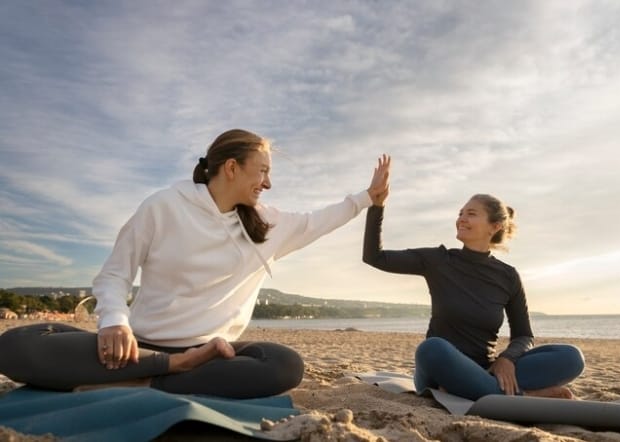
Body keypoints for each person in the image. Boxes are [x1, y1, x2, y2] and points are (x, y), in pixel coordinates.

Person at [0, 129, 391, 399]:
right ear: (232, 168)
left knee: (284, 364)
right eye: (264, 171)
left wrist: (366, 198)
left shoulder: (267, 224)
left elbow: (317, 220)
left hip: (212, 355)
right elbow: (115, 275)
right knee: (15, 347)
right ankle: (163, 370)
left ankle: (141, 380)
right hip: (139, 349)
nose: (268, 183)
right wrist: (115, 322)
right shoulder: (163, 206)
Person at [362, 158, 584, 400]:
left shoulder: (508, 276)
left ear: (494, 226)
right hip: (441, 367)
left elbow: (523, 335)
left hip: (484, 370)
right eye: (460, 213)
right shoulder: (438, 260)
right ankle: (522, 396)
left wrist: (506, 359)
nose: (461, 219)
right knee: (431, 348)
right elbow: (375, 257)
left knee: (571, 357)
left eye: (471, 214)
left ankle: (483, 390)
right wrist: (377, 206)